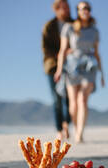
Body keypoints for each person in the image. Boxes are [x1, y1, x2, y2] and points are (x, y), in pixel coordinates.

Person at [54, 1, 105, 143]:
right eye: (82, 8)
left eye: (88, 8)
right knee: (73, 102)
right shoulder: (69, 28)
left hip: (89, 66)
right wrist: (59, 70)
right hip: (72, 66)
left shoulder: (95, 31)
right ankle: (76, 128)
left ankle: (79, 134)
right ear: (78, 11)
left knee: (83, 100)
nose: (85, 11)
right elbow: (63, 50)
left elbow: (97, 53)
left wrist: (102, 74)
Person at [42, 0, 73, 140]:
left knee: (70, 98)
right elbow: (45, 49)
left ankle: (67, 124)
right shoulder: (49, 26)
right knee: (57, 99)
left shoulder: (74, 24)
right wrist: (61, 55)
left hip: (72, 67)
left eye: (68, 7)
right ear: (57, 9)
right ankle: (59, 129)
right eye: (64, 8)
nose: (67, 10)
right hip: (52, 67)